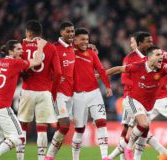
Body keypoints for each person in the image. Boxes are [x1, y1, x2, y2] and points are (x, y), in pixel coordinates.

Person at [107, 45, 167, 160]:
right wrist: (101, 74)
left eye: (161, 54)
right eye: (158, 55)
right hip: (132, 100)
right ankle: (129, 149)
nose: (162, 57)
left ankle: (110, 157)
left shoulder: (163, 67)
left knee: (142, 130)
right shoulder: (138, 66)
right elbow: (119, 69)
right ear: (149, 57)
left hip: (146, 105)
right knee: (140, 126)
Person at [0, 39, 46, 160]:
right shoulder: (16, 63)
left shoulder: (1, 61)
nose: (22, 51)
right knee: (19, 138)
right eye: (18, 49)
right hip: (1, 108)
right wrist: (40, 46)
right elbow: (37, 61)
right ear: (11, 51)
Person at [16, 20, 62, 160]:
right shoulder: (50, 47)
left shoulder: (21, 46)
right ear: (40, 33)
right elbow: (59, 73)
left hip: (27, 90)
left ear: (29, 33)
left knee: (23, 126)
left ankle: (20, 158)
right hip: (44, 92)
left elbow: (18, 67)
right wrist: (52, 91)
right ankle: (41, 158)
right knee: (42, 127)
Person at [72, 28, 113, 160]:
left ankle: (105, 156)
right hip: (77, 95)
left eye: (87, 40)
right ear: (75, 40)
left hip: (94, 93)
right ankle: (75, 158)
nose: (85, 42)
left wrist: (107, 86)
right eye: (82, 39)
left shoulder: (91, 53)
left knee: (101, 122)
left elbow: (101, 70)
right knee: (79, 129)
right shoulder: (69, 53)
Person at [45, 21, 75, 160]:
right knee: (64, 125)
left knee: (62, 127)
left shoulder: (72, 48)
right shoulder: (53, 48)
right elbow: (44, 68)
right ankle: (49, 156)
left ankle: (51, 156)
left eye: (72, 31)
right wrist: (52, 78)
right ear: (61, 32)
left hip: (71, 93)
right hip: (58, 93)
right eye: (68, 31)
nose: (71, 34)